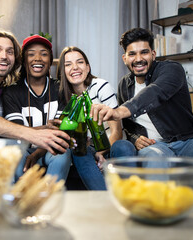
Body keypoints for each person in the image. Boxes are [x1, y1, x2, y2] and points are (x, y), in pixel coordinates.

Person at [90, 27, 193, 217]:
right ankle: (159, 226)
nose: (139, 59)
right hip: (154, 146)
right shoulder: (124, 84)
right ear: (125, 58)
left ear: (153, 53)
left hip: (188, 139)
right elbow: (130, 126)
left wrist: (119, 111)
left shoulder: (171, 69)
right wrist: (135, 138)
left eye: (144, 52)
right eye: (132, 54)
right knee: (155, 162)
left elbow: (155, 93)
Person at [57, 46, 136, 190]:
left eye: (80, 62)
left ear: (87, 67)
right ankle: (105, 200)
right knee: (79, 151)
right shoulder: (63, 98)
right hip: (88, 149)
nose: (75, 67)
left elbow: (117, 132)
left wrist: (101, 153)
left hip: (113, 144)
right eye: (68, 64)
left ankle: (129, 197)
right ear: (63, 71)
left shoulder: (101, 86)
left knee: (124, 146)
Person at [2, 35, 72, 182]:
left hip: (49, 149)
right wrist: (47, 128)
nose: (38, 58)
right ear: (23, 60)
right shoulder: (11, 91)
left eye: (44, 54)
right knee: (15, 158)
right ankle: (23, 202)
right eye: (31, 54)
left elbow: (60, 131)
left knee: (62, 155)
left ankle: (51, 198)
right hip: (23, 148)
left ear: (51, 60)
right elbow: (16, 132)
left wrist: (37, 154)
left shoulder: (60, 88)